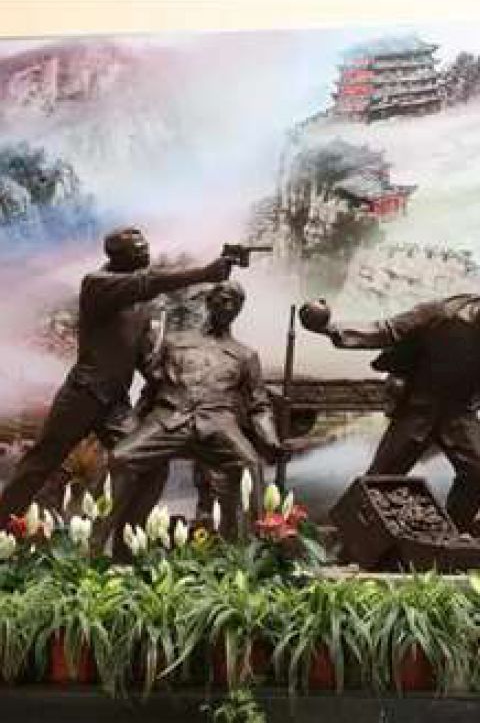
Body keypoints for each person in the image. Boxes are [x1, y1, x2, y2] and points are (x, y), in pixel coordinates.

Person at [0, 227, 231, 526]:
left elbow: (147, 362)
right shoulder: (97, 284)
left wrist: (187, 381)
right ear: (117, 257)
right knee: (40, 464)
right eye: (138, 250)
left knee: (152, 464)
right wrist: (205, 273)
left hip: (114, 404)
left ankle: (128, 539)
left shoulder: (143, 305)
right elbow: (146, 283)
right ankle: (2, 525)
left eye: (146, 247)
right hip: (83, 395)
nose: (146, 253)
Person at [300, 272, 480, 530]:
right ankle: (350, 536)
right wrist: (331, 329)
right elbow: (387, 330)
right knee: (381, 479)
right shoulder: (442, 313)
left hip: (459, 411)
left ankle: (449, 534)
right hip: (418, 404)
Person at [107, 281, 284, 556]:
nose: (228, 306)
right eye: (223, 299)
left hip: (218, 424)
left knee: (250, 464)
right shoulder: (174, 342)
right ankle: (109, 546)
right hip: (169, 418)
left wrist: (269, 437)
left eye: (235, 303)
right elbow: (152, 388)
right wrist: (135, 421)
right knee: (121, 458)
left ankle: (248, 554)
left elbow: (259, 405)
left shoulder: (245, 355)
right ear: (209, 302)